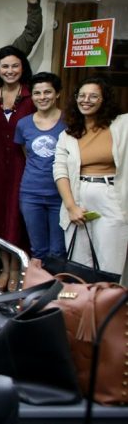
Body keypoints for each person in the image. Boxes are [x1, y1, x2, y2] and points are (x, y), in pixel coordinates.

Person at [54, 76, 127, 278]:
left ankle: (109, 307)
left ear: (104, 100)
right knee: (79, 264)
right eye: (82, 95)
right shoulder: (67, 134)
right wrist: (71, 207)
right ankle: (83, 307)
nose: (86, 100)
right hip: (77, 197)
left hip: (111, 196)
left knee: (110, 263)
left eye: (94, 96)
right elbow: (60, 172)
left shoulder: (122, 125)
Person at [0, 46, 35, 291]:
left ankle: (18, 269)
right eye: (5, 66)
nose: (10, 71)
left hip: (24, 166)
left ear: (22, 68)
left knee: (18, 215)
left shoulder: (33, 95)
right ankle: (4, 267)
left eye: (15, 66)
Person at [15, 72, 67, 261]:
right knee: (38, 250)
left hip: (60, 195)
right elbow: (27, 155)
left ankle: (58, 289)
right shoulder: (23, 124)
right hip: (31, 193)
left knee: (58, 251)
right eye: (37, 93)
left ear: (57, 94)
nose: (42, 97)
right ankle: (41, 289)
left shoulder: (69, 121)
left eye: (48, 92)